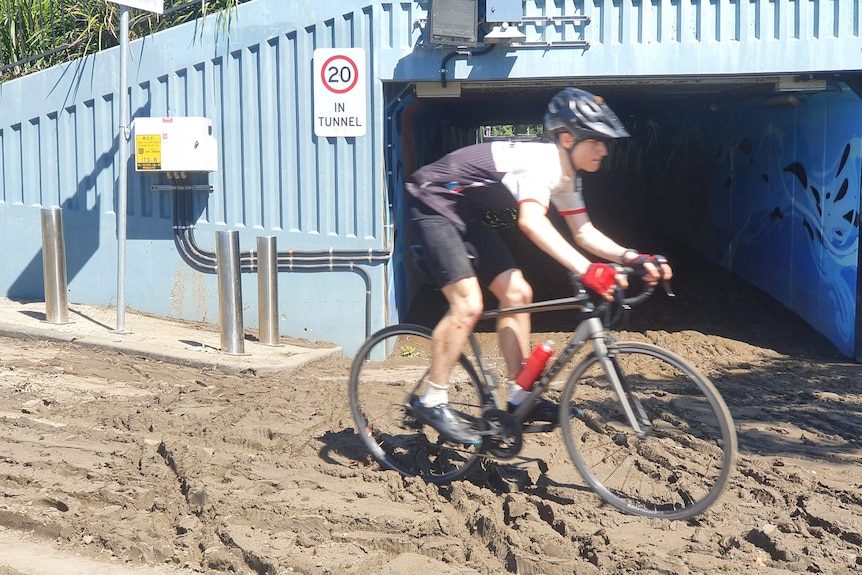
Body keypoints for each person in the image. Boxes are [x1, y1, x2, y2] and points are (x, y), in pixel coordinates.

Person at [404, 87, 673, 445]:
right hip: (433, 201)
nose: (604, 150)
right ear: (566, 138)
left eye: (606, 143)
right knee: (468, 304)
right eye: (596, 141)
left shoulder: (566, 176)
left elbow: (584, 232)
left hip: (465, 211)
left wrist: (632, 257)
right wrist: (587, 269)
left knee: (518, 293)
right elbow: (531, 222)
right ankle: (432, 399)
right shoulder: (541, 164)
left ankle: (519, 397)